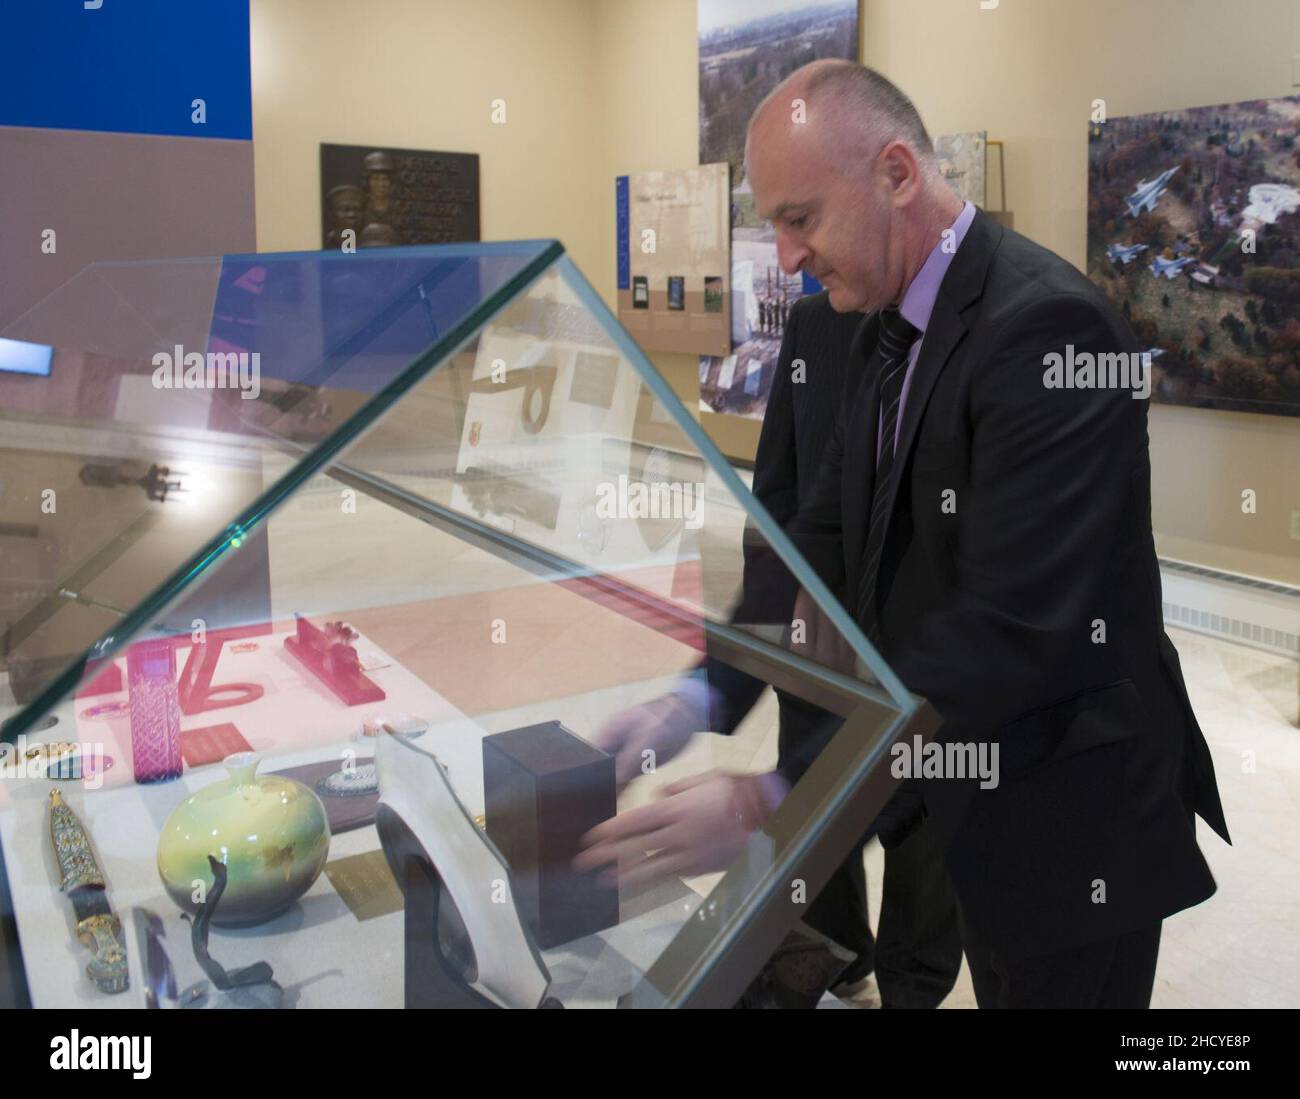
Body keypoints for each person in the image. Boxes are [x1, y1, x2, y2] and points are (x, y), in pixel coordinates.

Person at [578, 60, 1229, 1009]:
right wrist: (695, 698)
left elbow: (1010, 625)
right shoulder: (889, 318)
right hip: (962, 789)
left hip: (1070, 813)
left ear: (895, 173)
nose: (787, 254)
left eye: (801, 217)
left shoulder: (1051, 327)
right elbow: (819, 540)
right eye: (776, 225)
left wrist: (777, 796)